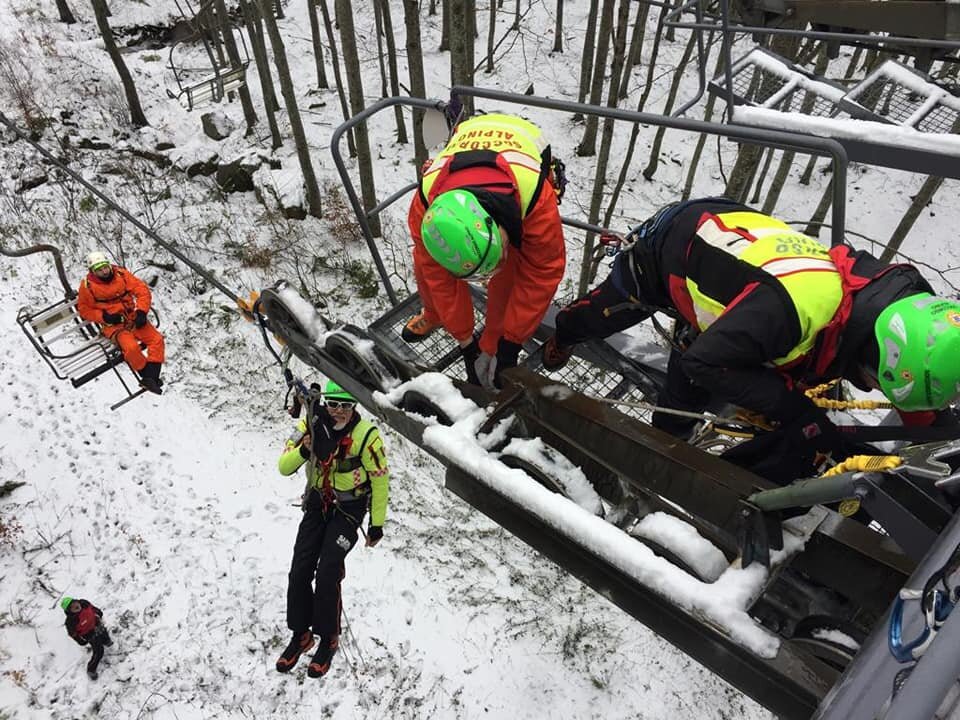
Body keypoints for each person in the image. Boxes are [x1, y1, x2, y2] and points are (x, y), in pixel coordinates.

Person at [544, 197, 960, 482]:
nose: (869, 386)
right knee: (604, 315)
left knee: (706, 371)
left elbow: (917, 373)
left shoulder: (895, 307)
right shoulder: (792, 312)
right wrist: (788, 406)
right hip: (668, 246)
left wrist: (939, 436)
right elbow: (704, 363)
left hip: (740, 253)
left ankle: (668, 440)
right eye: (874, 379)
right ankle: (561, 336)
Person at [404, 112, 567, 390]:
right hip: (474, 147)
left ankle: (494, 338)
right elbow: (436, 274)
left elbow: (542, 273)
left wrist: (509, 344)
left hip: (522, 148)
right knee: (426, 263)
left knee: (513, 273)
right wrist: (465, 340)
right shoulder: (426, 205)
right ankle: (433, 314)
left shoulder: (536, 199)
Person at [275, 380, 390, 678]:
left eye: (345, 405)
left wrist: (376, 524)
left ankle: (328, 639)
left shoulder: (367, 437)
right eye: (332, 404)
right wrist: (305, 449)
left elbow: (379, 479)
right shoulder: (309, 425)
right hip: (317, 504)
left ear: (354, 407)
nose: (338, 411)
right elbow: (284, 467)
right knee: (300, 570)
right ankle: (301, 635)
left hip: (348, 511)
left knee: (328, 571)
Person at [76, 250, 165, 394]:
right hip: (114, 326)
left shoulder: (121, 275)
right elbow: (84, 310)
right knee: (131, 348)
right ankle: (149, 376)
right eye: (99, 270)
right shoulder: (88, 287)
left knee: (157, 339)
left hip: (132, 318)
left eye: (105, 267)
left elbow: (142, 290)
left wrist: (141, 311)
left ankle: (150, 378)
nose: (105, 272)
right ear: (93, 271)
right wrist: (104, 317)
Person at [61, 596, 112, 679]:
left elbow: (92, 607)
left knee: (103, 632)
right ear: (70, 611)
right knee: (99, 651)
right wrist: (80, 641)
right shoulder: (71, 622)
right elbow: (73, 634)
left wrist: (98, 612)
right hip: (88, 633)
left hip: (95, 623)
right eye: (72, 607)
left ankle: (106, 641)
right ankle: (91, 669)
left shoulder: (84, 603)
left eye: (74, 603)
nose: (76, 606)